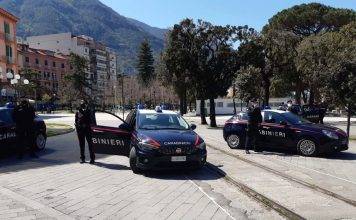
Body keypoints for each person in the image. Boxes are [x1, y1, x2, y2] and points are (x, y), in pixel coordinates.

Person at [75, 100, 95, 164]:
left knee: (90, 145)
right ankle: (82, 158)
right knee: (81, 145)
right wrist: (78, 125)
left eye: (83, 103)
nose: (82, 105)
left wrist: (86, 124)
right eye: (81, 103)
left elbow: (91, 120)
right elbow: (76, 120)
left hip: (88, 129)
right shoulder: (78, 112)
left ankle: (92, 159)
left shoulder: (89, 111)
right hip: (80, 130)